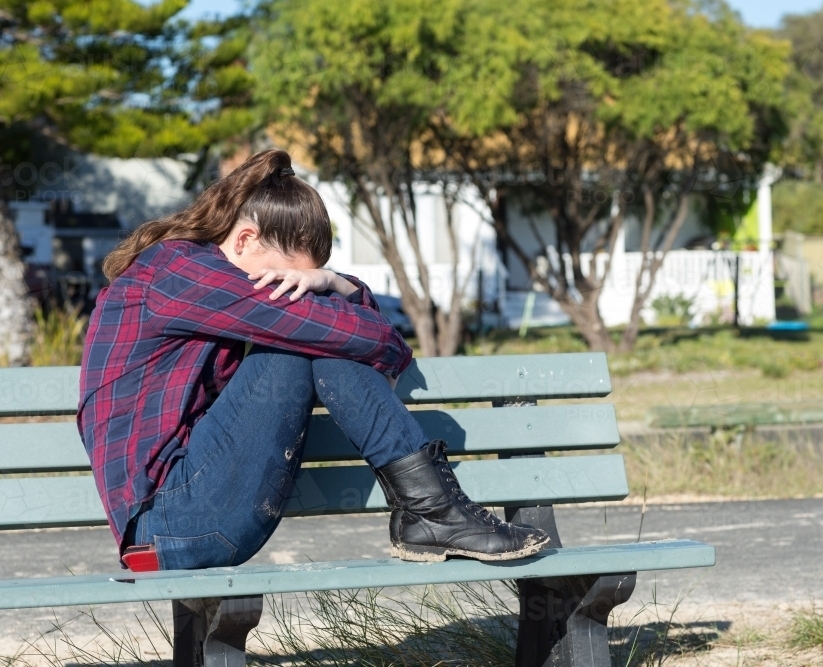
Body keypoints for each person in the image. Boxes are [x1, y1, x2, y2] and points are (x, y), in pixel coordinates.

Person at [77, 149, 549, 572]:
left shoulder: (197, 274)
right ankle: (433, 512)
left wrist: (336, 285)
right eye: (290, 283)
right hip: (171, 522)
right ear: (244, 241)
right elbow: (376, 343)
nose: (295, 293)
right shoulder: (179, 272)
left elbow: (355, 337)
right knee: (308, 340)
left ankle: (432, 513)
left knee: (314, 337)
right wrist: (343, 298)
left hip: (198, 513)